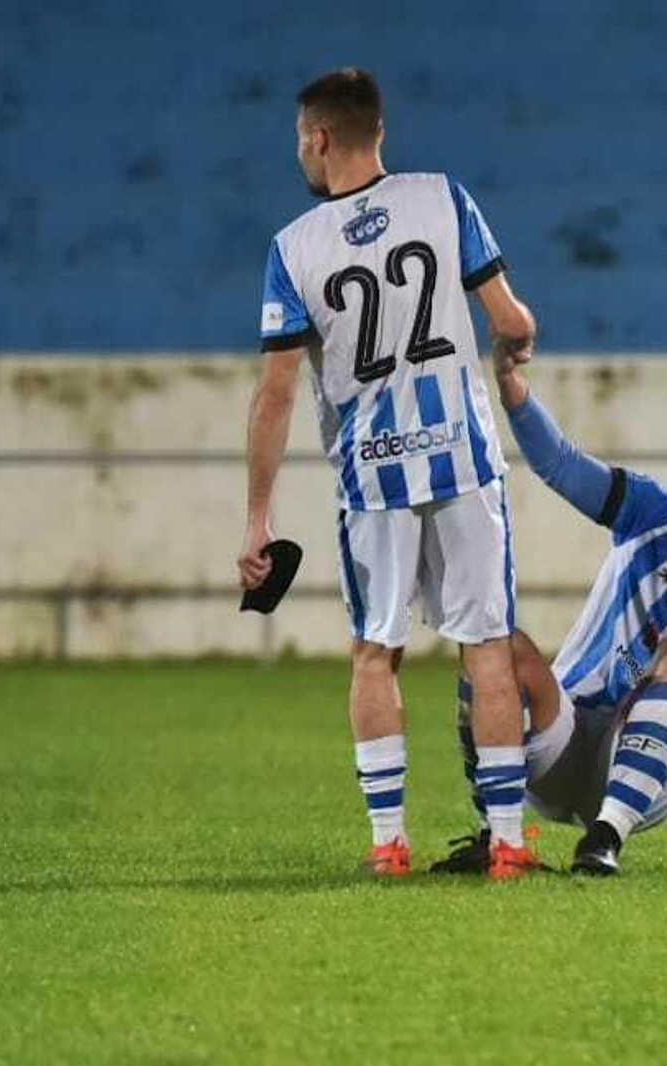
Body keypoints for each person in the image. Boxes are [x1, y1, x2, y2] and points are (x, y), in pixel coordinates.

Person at [238, 68, 543, 879]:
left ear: (320, 138)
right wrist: (514, 350)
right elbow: (510, 317)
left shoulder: (293, 250)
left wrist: (258, 519)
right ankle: (509, 840)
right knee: (485, 645)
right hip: (463, 455)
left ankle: (388, 846)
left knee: (377, 650)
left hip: (373, 473)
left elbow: (275, 395)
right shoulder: (444, 198)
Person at [433, 340, 667, 876]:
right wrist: (514, 393)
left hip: (643, 784)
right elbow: (563, 466)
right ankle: (501, 840)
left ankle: (603, 841)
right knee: (496, 641)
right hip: (559, 740)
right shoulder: (657, 516)